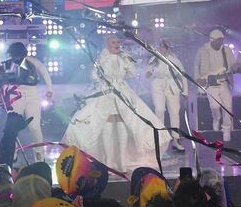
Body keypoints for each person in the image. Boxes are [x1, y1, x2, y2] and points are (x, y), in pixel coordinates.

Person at [63, 36, 167, 172]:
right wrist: (101, 65)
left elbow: (132, 74)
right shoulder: (102, 58)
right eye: (113, 42)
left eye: (118, 42)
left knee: (123, 122)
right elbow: (94, 77)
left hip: (122, 93)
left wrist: (127, 61)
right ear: (107, 44)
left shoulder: (123, 58)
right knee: (106, 123)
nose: (117, 44)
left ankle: (122, 160)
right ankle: (108, 160)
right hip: (106, 93)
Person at [4, 42, 53, 162]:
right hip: (15, 96)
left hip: (32, 96)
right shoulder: (8, 63)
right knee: (13, 127)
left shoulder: (31, 60)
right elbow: (2, 80)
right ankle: (12, 152)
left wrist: (50, 89)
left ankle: (39, 154)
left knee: (34, 126)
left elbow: (44, 71)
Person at [194, 29, 236, 142]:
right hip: (210, 83)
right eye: (218, 40)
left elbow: (233, 65)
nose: (220, 42)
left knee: (228, 107)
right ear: (212, 40)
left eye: (222, 40)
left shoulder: (226, 50)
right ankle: (216, 118)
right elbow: (196, 66)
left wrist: (237, 68)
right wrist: (198, 79)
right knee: (215, 107)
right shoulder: (203, 50)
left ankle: (226, 130)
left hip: (224, 82)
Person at [145, 40, 188, 151]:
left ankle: (176, 139)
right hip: (158, 86)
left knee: (174, 112)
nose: (162, 49)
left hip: (172, 87)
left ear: (168, 48)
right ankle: (160, 138)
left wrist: (185, 91)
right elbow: (146, 75)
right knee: (159, 110)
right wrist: (150, 73)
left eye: (164, 47)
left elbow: (183, 75)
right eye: (160, 47)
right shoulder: (154, 59)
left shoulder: (174, 60)